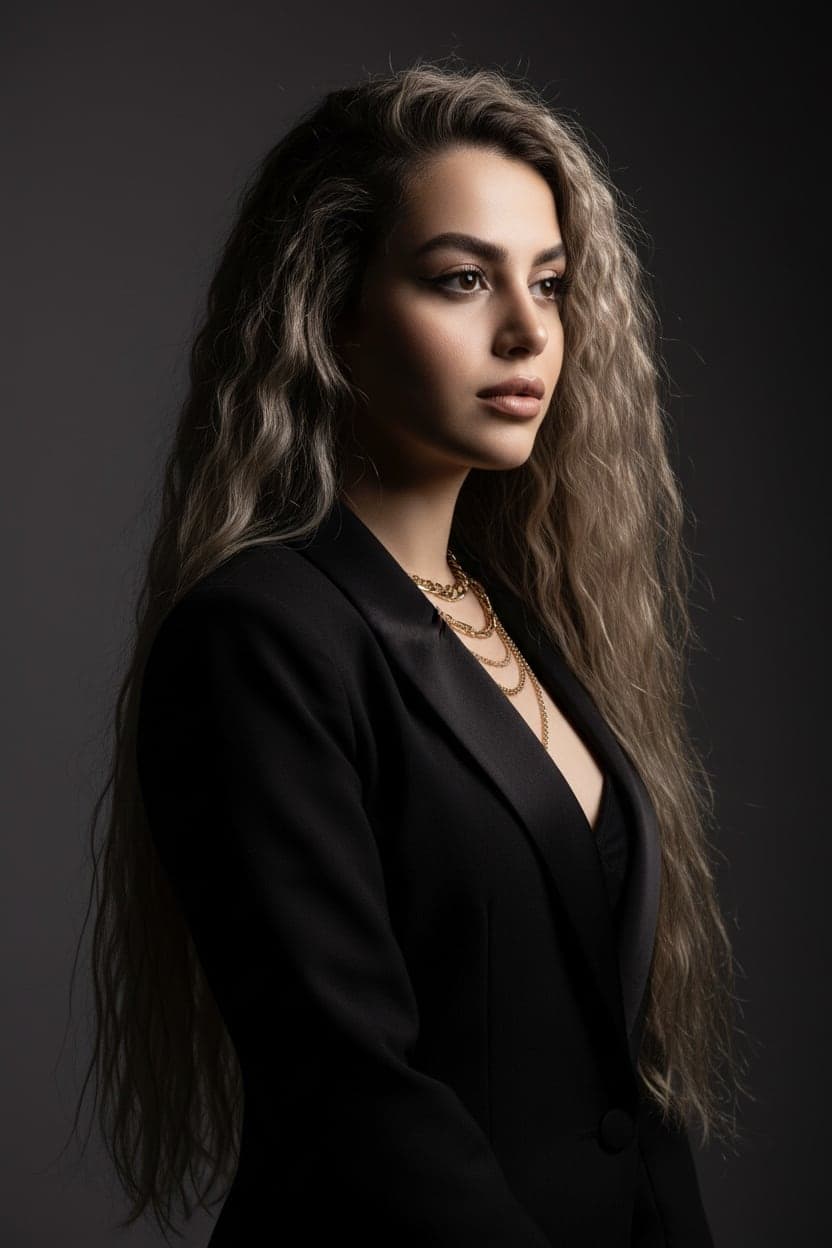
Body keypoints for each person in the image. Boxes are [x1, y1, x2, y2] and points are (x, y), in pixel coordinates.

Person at [71, 59, 747, 1245]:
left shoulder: (520, 620)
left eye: (549, 281)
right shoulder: (259, 636)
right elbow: (352, 1091)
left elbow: (622, 1092)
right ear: (329, 316)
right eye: (460, 280)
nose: (529, 329)